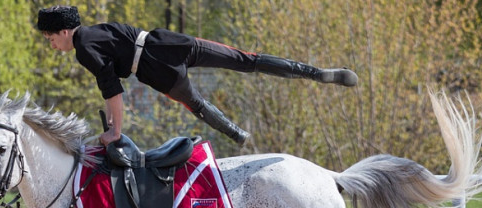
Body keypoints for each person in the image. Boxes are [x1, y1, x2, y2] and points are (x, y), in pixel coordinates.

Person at [36, 5, 358, 146]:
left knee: (199, 106)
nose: (52, 46)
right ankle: (317, 74)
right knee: (247, 60)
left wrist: (114, 132)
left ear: (64, 31)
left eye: (51, 39)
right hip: (171, 44)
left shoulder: (83, 49)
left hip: (158, 72)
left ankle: (238, 135)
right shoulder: (97, 31)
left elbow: (113, 93)